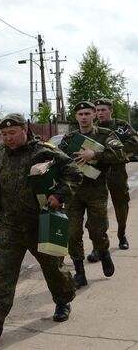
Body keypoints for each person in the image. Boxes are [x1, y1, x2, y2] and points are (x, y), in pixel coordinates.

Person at [0, 113, 82, 341]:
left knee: (52, 267)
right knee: (2, 273)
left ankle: (63, 301)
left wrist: (59, 195)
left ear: (25, 129)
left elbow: (73, 172)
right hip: (9, 227)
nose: (8, 138)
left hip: (41, 223)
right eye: (4, 134)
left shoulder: (43, 151)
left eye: (12, 133)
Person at [58, 101, 126, 289]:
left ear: (94, 115)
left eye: (88, 113)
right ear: (76, 117)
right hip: (73, 192)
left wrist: (94, 155)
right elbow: (58, 159)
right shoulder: (69, 138)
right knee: (72, 234)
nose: (84, 117)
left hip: (96, 191)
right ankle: (80, 273)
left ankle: (103, 252)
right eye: (80, 114)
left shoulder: (105, 135)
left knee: (97, 231)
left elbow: (121, 155)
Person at [85, 98, 138, 260]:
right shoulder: (90, 128)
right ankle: (97, 246)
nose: (100, 113)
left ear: (110, 111)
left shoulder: (120, 126)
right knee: (96, 212)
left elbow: (135, 142)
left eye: (103, 110)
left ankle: (121, 233)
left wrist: (117, 153)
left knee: (121, 205)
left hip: (116, 171)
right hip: (95, 173)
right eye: (98, 110)